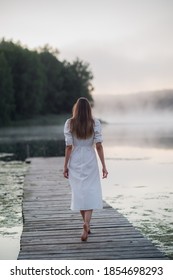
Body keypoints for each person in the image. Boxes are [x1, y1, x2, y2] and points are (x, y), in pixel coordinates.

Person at [63, 97, 108, 241]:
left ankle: (85, 224)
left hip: (75, 158)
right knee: (90, 191)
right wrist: (104, 166)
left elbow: (69, 147)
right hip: (90, 157)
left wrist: (65, 166)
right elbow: (99, 146)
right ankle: (86, 224)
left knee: (80, 192)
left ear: (76, 108)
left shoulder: (70, 123)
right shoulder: (95, 123)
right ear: (89, 109)